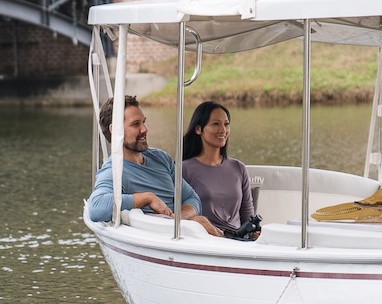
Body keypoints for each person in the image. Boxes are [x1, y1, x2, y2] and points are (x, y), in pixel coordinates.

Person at [89, 95, 221, 235]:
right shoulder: (114, 171)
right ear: (115, 130)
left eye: (144, 122)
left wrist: (178, 219)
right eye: (136, 124)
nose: (144, 129)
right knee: (201, 223)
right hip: (157, 239)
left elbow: (192, 199)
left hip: (182, 233)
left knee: (203, 223)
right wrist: (147, 198)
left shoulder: (161, 158)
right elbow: (96, 208)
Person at [181, 101, 258, 238]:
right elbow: (177, 216)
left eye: (226, 124)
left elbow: (248, 217)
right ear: (198, 129)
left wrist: (255, 232)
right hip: (204, 240)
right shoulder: (184, 169)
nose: (223, 130)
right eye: (216, 124)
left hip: (238, 241)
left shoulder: (239, 168)